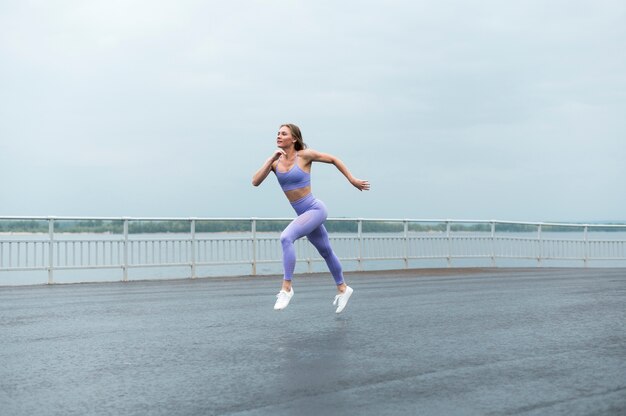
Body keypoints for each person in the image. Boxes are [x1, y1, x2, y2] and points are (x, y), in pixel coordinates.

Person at [252, 123, 370, 313]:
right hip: (304, 215)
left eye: (283, 134)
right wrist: (269, 160)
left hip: (315, 209)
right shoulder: (275, 163)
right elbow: (255, 182)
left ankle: (286, 288)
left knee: (286, 237)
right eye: (278, 133)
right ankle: (343, 288)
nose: (279, 136)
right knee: (326, 252)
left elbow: (333, 159)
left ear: (294, 139)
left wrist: (352, 180)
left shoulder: (304, 156)